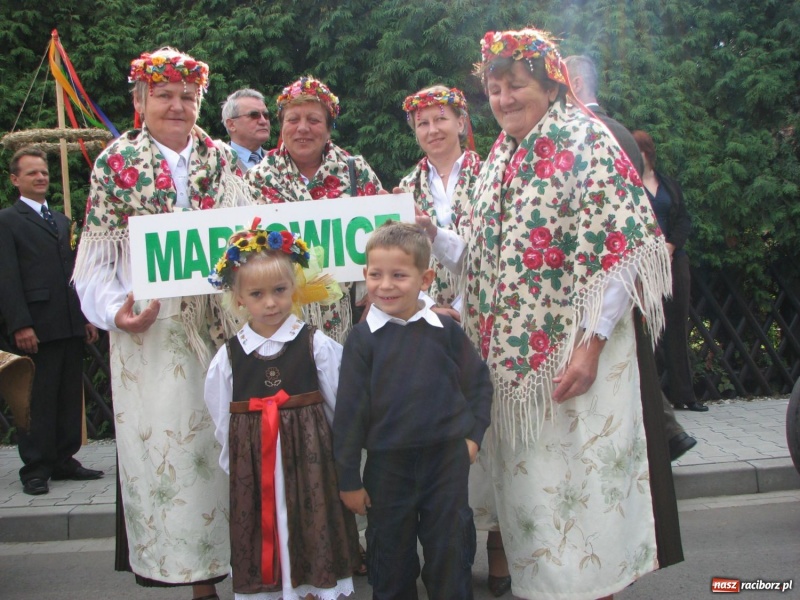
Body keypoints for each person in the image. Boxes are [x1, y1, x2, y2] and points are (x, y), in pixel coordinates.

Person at [418, 28, 678, 599]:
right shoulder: (501, 159)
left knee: (582, 491)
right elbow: (483, 256)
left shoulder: (585, 139)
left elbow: (620, 252)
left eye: (517, 86)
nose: (505, 99)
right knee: (536, 501)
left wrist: (590, 346)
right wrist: (433, 236)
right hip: (515, 369)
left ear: (550, 83)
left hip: (575, 356)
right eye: (495, 89)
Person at [73, 47, 251, 600]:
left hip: (218, 329)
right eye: (165, 96)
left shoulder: (221, 159)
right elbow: (95, 263)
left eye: (187, 97)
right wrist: (114, 312)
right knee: (172, 454)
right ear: (140, 101)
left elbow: (247, 238)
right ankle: (196, 581)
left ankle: (241, 566)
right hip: (150, 334)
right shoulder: (115, 163)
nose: (177, 106)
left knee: (226, 446)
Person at [334, 221, 493, 600]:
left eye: (398, 275)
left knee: (450, 553)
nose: (385, 285)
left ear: (425, 279)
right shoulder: (361, 341)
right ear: (365, 276)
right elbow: (349, 414)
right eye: (376, 275)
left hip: (445, 463)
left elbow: (478, 385)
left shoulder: (445, 330)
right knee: (390, 559)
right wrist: (348, 480)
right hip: (387, 468)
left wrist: (473, 438)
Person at [204, 221, 360, 599]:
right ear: (240, 299)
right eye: (257, 294)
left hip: (310, 465)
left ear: (295, 288)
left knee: (311, 523)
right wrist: (240, 463)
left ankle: (312, 589)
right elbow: (222, 420)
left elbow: (341, 406)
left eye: (279, 290)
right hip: (256, 467)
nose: (270, 302)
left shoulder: (315, 345)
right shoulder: (228, 358)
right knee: (263, 528)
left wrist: (341, 462)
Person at [565, 54, 697, 461]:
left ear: (576, 83)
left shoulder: (592, 131)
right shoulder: (613, 128)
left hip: (612, 277)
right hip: (625, 271)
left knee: (628, 362)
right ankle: (665, 436)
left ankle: (659, 441)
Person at [245, 75, 384, 345]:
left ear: (329, 128)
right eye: (293, 120)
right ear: (281, 126)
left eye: (314, 120)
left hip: (352, 319)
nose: (303, 128)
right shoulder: (257, 179)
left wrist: (377, 297)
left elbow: (383, 241)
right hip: (279, 320)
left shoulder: (356, 171)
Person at [0, 147, 101, 497]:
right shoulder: (7, 220)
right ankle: (36, 467)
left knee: (68, 395)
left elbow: (74, 273)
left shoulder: (59, 220)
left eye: (43, 171)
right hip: (35, 325)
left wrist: (85, 317)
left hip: (68, 323)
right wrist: (19, 324)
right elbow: (7, 277)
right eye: (32, 173)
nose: (41, 177)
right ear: (16, 180)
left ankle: (63, 459)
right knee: (37, 399)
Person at [634, 130, 706, 414]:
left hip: (674, 264)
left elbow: (684, 219)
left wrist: (672, 245)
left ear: (648, 154)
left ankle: (685, 396)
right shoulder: (628, 187)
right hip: (643, 267)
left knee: (677, 326)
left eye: (637, 152)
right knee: (647, 330)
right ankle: (649, 400)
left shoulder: (669, 185)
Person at [397, 85, 481, 312]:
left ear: (460, 123)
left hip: (484, 307)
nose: (432, 130)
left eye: (440, 119)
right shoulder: (407, 188)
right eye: (423, 123)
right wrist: (429, 307)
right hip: (428, 317)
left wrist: (463, 308)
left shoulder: (488, 177)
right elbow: (402, 260)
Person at [221, 88, 271, 171]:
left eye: (266, 115)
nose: (263, 121)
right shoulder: (218, 162)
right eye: (254, 115)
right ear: (231, 125)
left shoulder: (279, 161)